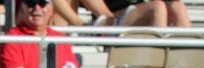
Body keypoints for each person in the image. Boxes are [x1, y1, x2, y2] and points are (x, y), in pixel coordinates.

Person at [50, 0, 190, 28]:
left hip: (136, 12)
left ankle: (192, 61)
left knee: (178, 7)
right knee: (157, 8)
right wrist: (107, 17)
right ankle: (156, 59)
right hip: (111, 16)